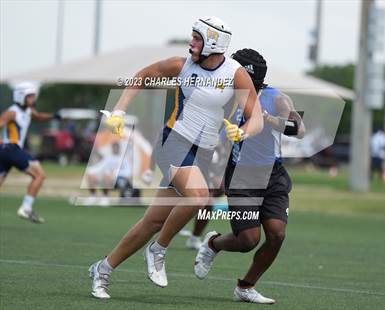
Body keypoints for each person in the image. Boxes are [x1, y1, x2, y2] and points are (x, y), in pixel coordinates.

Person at [89, 16, 263, 299]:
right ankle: (159, 250)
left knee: (152, 222)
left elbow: (256, 118)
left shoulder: (235, 73)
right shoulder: (179, 66)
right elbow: (142, 76)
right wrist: (119, 111)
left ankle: (102, 269)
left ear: (214, 43)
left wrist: (242, 132)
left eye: (197, 38)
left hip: (203, 153)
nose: (191, 43)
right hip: (174, 141)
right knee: (198, 197)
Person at [194, 48, 305, 304]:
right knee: (248, 240)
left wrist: (268, 119)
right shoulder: (226, 97)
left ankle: (246, 286)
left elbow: (299, 129)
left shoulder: (277, 98)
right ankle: (213, 244)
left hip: (273, 174)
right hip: (241, 175)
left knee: (276, 234)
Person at [0, 82, 61, 223]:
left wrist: (52, 116)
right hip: (11, 148)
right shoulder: (12, 112)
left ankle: (26, 208)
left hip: (5, 152)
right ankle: (26, 208)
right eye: (30, 96)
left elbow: (38, 117)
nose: (33, 99)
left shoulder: (28, 111)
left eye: (33, 96)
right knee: (39, 175)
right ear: (21, 96)